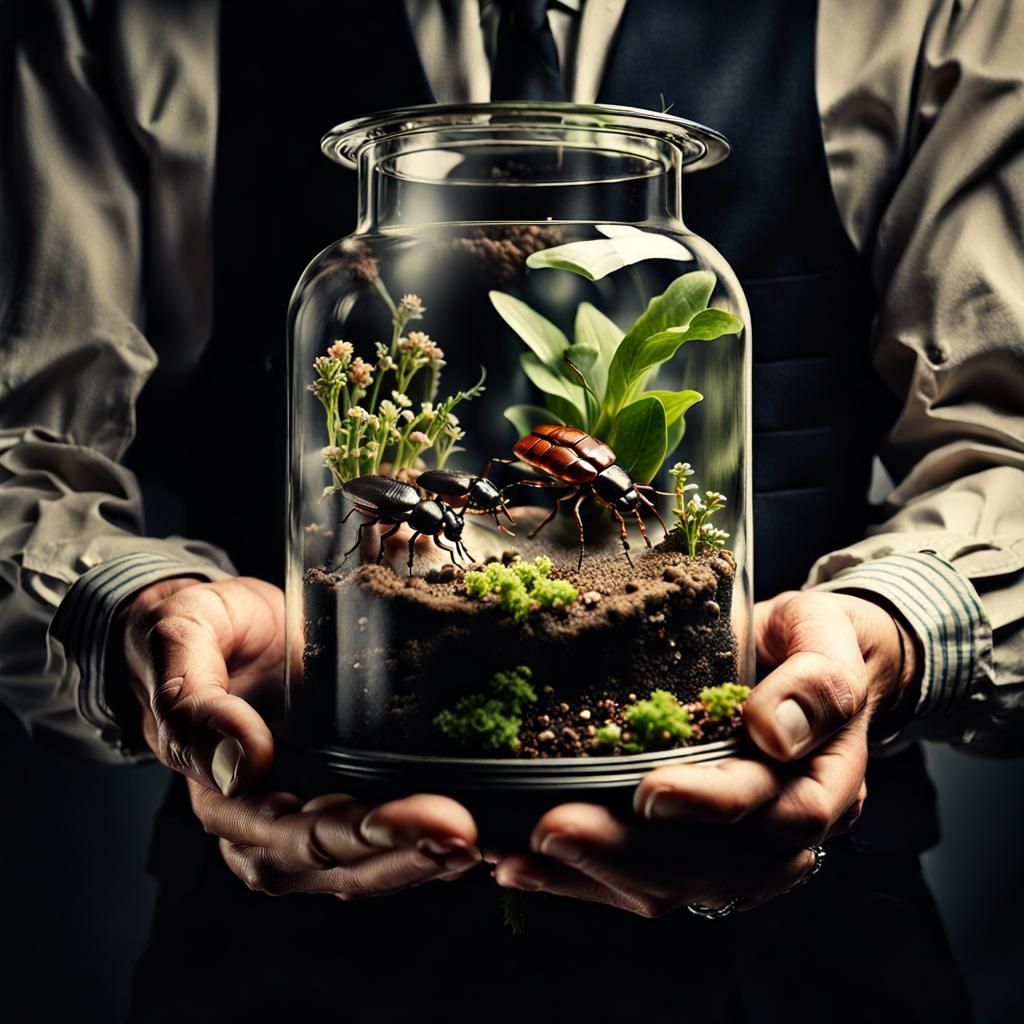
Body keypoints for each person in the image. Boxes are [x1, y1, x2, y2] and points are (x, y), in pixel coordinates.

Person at [2, 1, 1022, 1020]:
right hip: (279, 913)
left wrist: (891, 630)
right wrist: (142, 618)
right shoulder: (112, 19)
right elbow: (20, 456)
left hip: (806, 945)